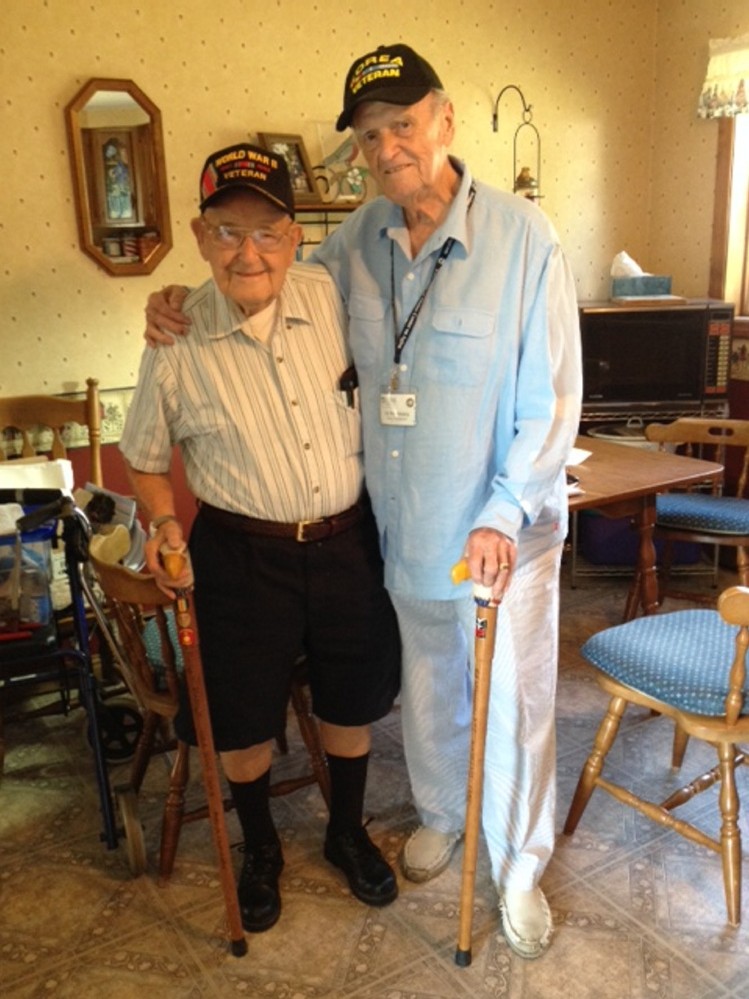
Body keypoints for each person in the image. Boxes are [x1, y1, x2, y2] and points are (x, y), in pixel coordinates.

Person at [144, 43, 582, 959]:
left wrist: (505, 511)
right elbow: (253, 274)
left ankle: (520, 864)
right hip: (407, 535)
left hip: (502, 535)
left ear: (445, 118)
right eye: (370, 135)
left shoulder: (524, 238)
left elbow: (550, 403)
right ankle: (442, 818)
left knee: (515, 706)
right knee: (428, 694)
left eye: (403, 125)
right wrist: (172, 304)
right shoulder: (353, 243)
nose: (388, 150)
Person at [120, 142, 401, 935]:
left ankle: (347, 831)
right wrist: (166, 522)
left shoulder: (336, 299)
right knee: (239, 721)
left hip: (348, 543)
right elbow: (142, 459)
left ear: (294, 236)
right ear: (200, 235)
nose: (250, 252)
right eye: (228, 231)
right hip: (240, 557)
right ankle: (262, 847)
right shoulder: (174, 340)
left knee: (353, 699)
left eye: (269, 231)